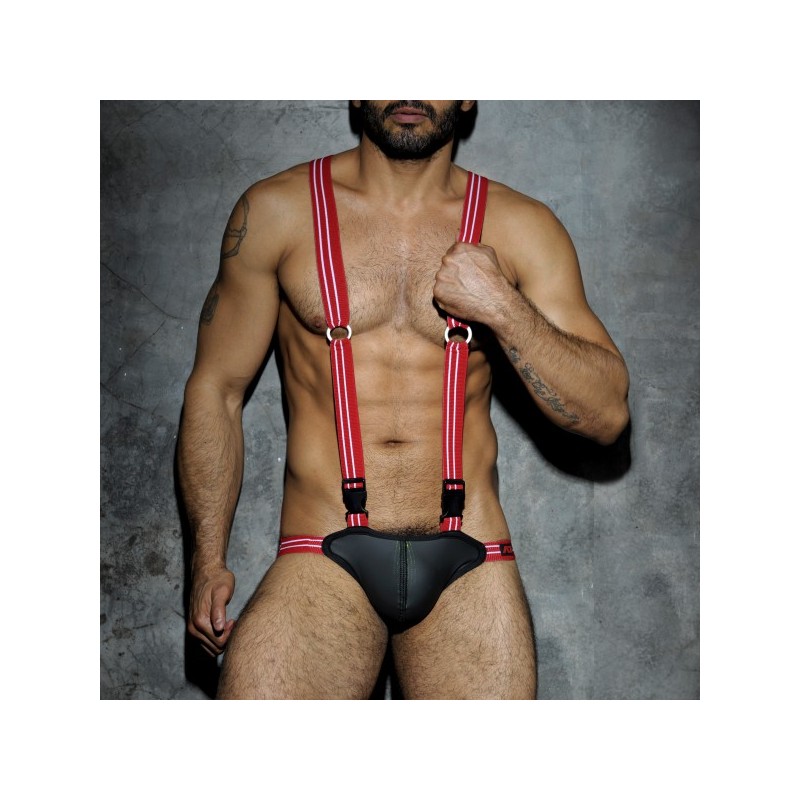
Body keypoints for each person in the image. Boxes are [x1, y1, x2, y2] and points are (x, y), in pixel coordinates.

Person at [177, 101, 630, 699]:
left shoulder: (521, 225)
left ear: (467, 95)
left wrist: (502, 307)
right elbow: (218, 390)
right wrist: (206, 559)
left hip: (469, 554)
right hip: (321, 549)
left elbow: (607, 415)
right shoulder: (276, 211)